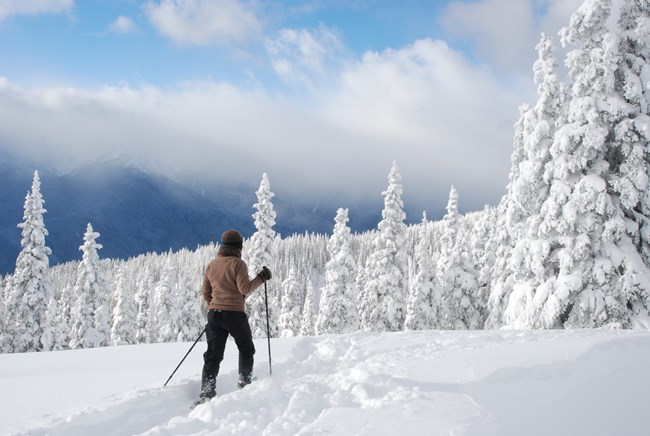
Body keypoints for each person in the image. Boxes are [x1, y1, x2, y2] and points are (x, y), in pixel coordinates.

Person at [198, 229, 272, 403]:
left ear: (223, 246)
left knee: (213, 355)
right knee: (246, 349)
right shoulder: (238, 264)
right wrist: (261, 277)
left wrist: (215, 305)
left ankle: (207, 393)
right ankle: (244, 382)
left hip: (214, 315)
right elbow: (244, 289)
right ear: (239, 247)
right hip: (235, 315)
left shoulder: (212, 264)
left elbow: (205, 292)